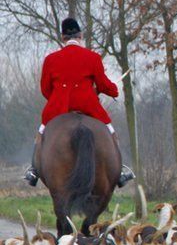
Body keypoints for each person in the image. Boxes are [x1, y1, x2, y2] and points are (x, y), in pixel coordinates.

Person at [25, 18, 135, 188]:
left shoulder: (51, 59)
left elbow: (45, 89)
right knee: (110, 132)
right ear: (81, 35)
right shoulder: (93, 57)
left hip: (57, 109)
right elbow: (104, 85)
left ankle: (33, 170)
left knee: (41, 133)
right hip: (89, 107)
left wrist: (58, 97)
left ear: (63, 37)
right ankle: (120, 171)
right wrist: (113, 90)